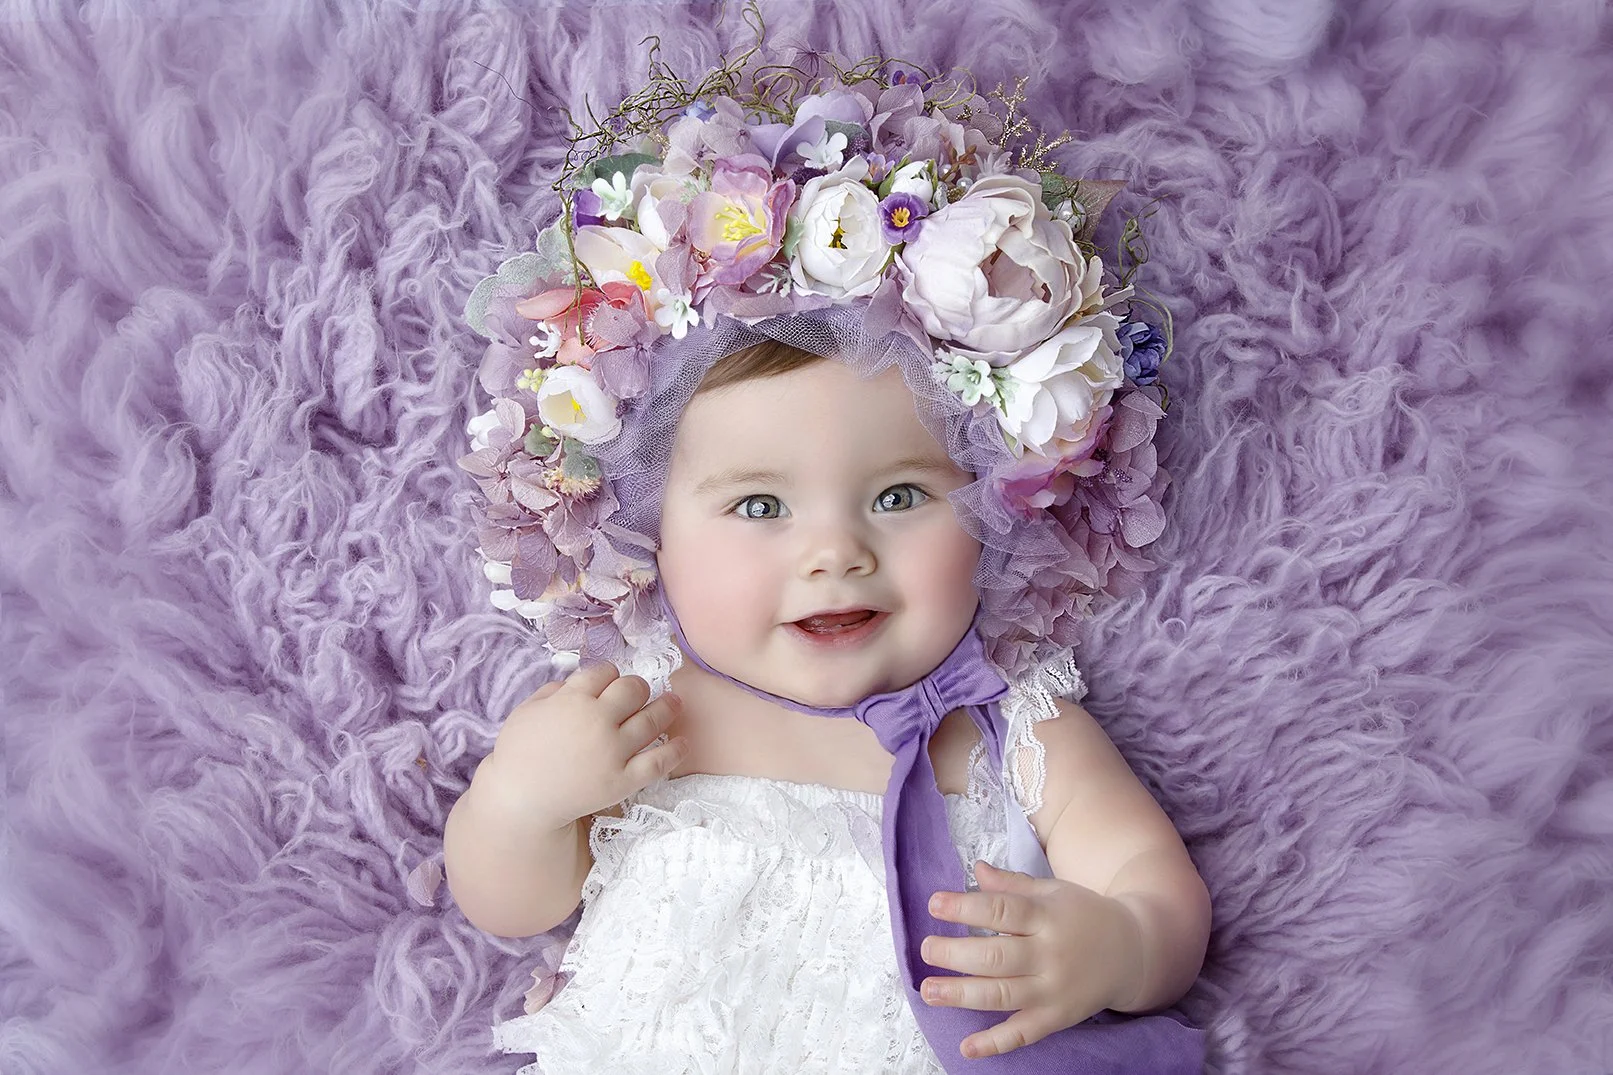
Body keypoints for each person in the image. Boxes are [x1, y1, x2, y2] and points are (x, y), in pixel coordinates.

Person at [443, 39, 1208, 1074]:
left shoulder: (1011, 728)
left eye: (897, 496)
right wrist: (520, 801)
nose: (835, 552)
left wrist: (1117, 944)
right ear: (648, 534)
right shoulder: (641, 715)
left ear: (994, 507)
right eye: (758, 504)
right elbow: (513, 904)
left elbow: (1157, 894)